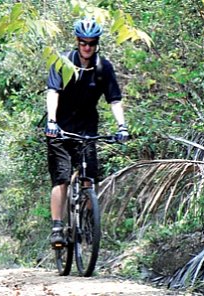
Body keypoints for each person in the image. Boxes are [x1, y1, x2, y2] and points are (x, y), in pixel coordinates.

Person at [44, 18, 130, 247]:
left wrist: (122, 126)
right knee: (61, 178)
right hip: (59, 129)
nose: (87, 47)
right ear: (77, 41)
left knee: (89, 179)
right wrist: (51, 121)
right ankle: (57, 227)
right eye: (83, 43)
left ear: (97, 43)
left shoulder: (103, 68)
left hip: (87, 129)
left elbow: (114, 100)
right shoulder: (62, 62)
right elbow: (53, 92)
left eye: (91, 43)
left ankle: (88, 222)